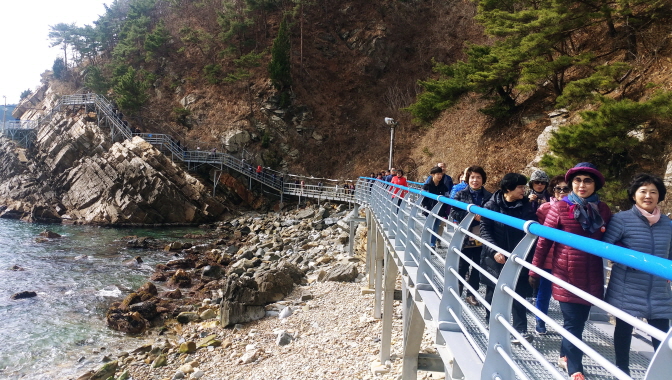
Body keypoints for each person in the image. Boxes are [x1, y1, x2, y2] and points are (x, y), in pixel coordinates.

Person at [529, 162, 612, 380]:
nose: (582, 185)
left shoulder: (602, 209)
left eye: (587, 181)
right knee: (573, 321)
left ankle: (564, 355)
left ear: (596, 185)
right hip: (566, 272)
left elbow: (611, 239)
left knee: (579, 321)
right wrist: (534, 270)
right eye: (577, 181)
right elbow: (544, 241)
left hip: (592, 272)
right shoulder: (559, 207)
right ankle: (576, 368)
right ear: (571, 183)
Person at [602, 173, 672, 376]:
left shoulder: (668, 224)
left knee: (661, 334)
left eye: (653, 192)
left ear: (660, 196)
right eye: (643, 191)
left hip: (658, 288)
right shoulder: (622, 219)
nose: (648, 196)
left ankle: (663, 373)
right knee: (624, 330)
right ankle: (622, 370)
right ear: (634, 195)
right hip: (627, 286)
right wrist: (627, 255)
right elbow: (607, 246)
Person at [480, 173, 537, 343]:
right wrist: (494, 251)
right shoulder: (491, 205)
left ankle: (520, 330)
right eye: (520, 187)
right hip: (495, 256)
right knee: (494, 290)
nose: (523, 190)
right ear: (507, 189)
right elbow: (485, 230)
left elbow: (533, 231)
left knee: (519, 292)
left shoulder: (526, 206)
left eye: (523, 187)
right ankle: (492, 322)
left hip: (518, 256)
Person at [449, 166, 492, 306]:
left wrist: (483, 218)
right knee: (462, 266)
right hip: (465, 236)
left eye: (478, 177)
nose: (475, 180)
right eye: (472, 177)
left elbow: (493, 215)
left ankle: (471, 294)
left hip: (482, 236)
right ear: (468, 179)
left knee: (477, 268)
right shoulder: (460, 195)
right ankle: (457, 291)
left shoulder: (489, 196)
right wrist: (473, 216)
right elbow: (454, 212)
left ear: (483, 179)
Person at [533, 175, 570, 335]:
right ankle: (540, 320)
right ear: (553, 191)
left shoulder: (575, 209)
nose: (562, 192)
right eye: (558, 189)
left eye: (566, 189)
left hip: (567, 258)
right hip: (549, 256)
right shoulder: (544, 209)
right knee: (544, 292)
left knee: (567, 294)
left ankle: (569, 327)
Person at [421, 166, 451, 248]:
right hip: (429, 210)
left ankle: (432, 245)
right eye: (438, 174)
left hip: (440, 211)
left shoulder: (444, 187)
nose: (440, 176)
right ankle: (427, 243)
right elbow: (423, 199)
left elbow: (447, 199)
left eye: (441, 174)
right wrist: (426, 208)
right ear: (432, 175)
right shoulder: (427, 186)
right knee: (429, 227)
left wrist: (445, 211)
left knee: (435, 227)